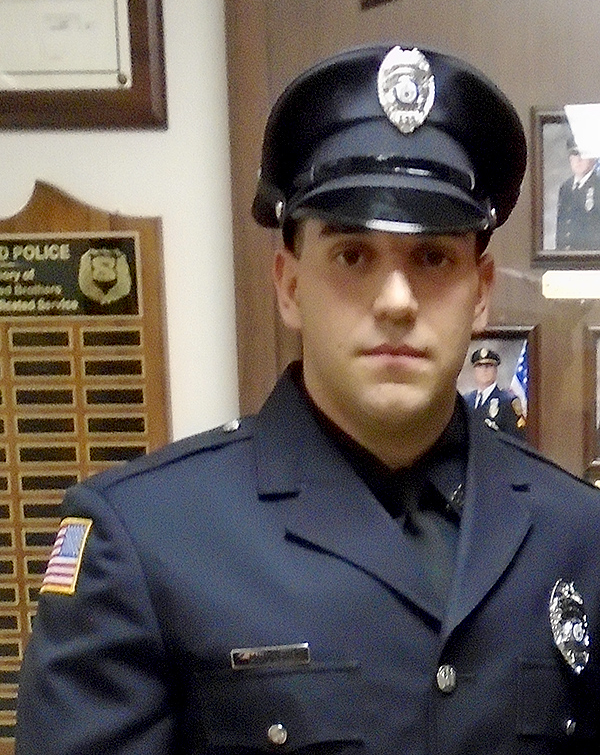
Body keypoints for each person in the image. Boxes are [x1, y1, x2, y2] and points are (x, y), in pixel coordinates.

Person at [16, 44, 600, 755]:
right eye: (353, 255)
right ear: (290, 286)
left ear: (480, 293)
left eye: (433, 257)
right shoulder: (148, 539)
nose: (396, 301)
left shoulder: (578, 533)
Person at [463, 347, 526, 438]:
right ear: (475, 371)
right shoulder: (466, 401)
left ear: (495, 370)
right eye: (479, 366)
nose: (484, 370)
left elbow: (515, 438)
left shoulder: (508, 401)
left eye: (489, 366)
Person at [555, 140, 600, 250]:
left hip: (590, 256)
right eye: (574, 154)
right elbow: (561, 227)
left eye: (583, 155)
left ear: (593, 159)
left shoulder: (598, 185)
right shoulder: (565, 187)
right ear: (570, 158)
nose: (578, 160)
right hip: (566, 256)